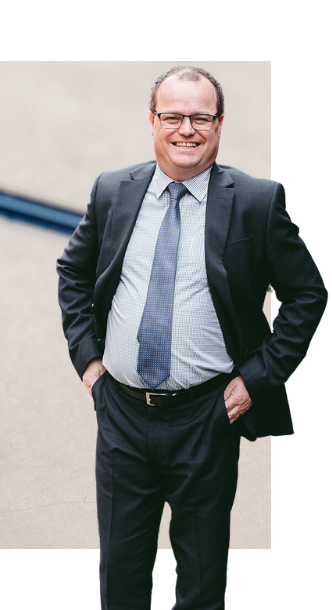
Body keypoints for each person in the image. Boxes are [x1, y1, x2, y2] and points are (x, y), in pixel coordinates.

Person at [56, 66, 326, 609]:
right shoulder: (113, 191)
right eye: (173, 116)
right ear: (152, 121)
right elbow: (73, 274)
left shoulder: (256, 200)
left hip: (206, 415)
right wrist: (89, 364)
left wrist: (259, 378)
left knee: (202, 578)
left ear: (219, 123)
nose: (187, 129)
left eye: (200, 117)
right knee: (121, 574)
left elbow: (308, 294)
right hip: (122, 414)